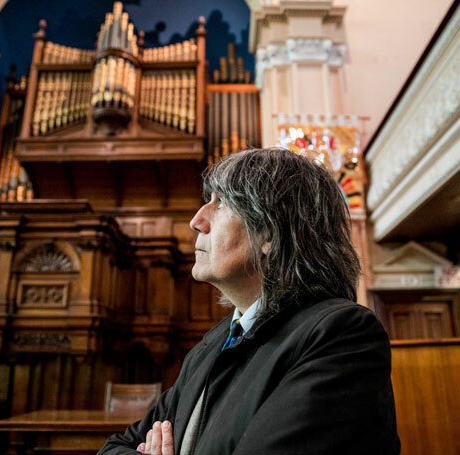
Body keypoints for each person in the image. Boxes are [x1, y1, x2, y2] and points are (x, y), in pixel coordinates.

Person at [98, 148, 400, 455]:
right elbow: (114, 447)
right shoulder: (212, 344)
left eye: (222, 202)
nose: (197, 220)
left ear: (271, 231)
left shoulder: (341, 336)